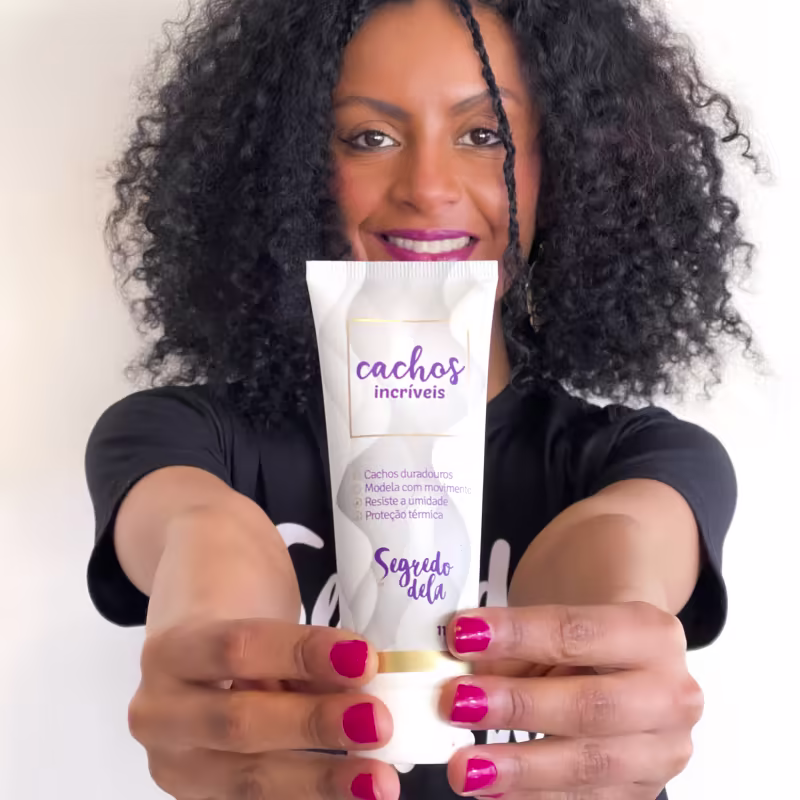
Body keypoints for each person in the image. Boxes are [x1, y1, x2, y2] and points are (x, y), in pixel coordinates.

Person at [84, 0, 759, 798]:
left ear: (568, 167)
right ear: (287, 165)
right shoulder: (183, 438)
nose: (428, 189)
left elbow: (625, 544)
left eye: (485, 135)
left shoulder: (643, 460)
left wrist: (606, 627)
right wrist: (213, 593)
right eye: (370, 137)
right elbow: (195, 527)